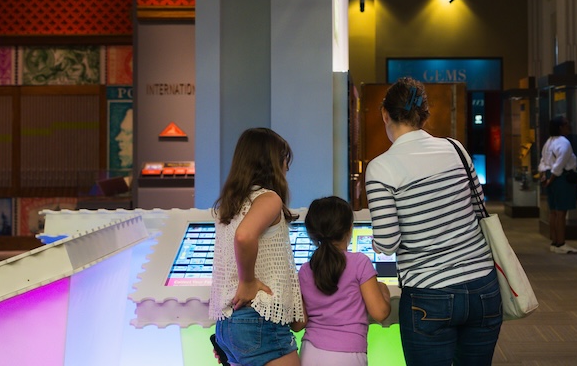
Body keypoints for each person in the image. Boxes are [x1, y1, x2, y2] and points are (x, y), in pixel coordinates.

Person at [364, 77, 502, 366]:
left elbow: (388, 244)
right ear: (423, 115)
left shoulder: (381, 167)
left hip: (429, 294)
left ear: (385, 114)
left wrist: (375, 239)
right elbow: (479, 208)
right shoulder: (456, 149)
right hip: (483, 287)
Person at [209, 128, 304, 366]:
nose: (287, 168)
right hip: (259, 319)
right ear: (271, 162)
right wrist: (248, 281)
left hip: (229, 324)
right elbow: (244, 236)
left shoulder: (229, 206)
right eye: (284, 160)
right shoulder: (269, 199)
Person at [293, 196, 392, 365]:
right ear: (349, 229)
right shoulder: (359, 262)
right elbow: (380, 313)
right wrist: (383, 290)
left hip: (310, 353)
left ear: (311, 233)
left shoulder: (305, 270)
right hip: (349, 354)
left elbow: (298, 324)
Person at [540, 115, 577, 254]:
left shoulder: (549, 142)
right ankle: (561, 243)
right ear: (560, 127)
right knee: (561, 212)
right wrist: (552, 179)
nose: (568, 126)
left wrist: (544, 177)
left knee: (553, 211)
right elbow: (560, 164)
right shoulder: (564, 142)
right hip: (561, 178)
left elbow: (543, 161)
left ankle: (554, 241)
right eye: (566, 124)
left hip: (550, 176)